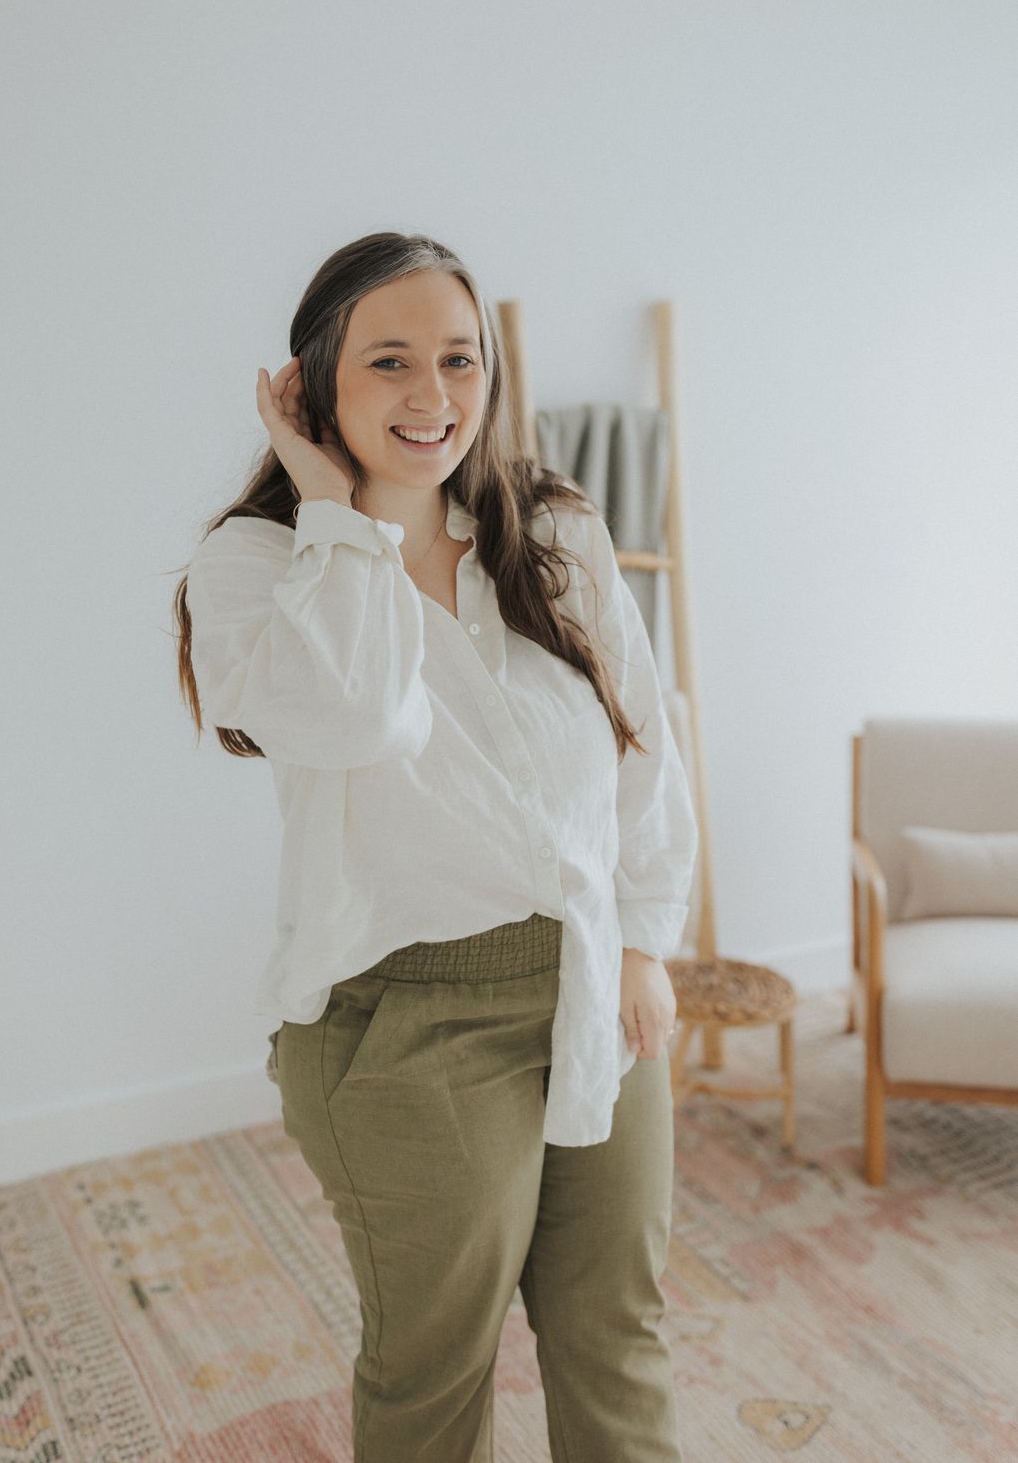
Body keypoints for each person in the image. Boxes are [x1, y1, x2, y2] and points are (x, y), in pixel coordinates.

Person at [174, 231, 699, 1462]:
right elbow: (360, 715)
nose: (433, 396)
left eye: (459, 360)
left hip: (590, 985)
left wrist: (644, 941)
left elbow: (643, 749)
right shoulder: (256, 564)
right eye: (391, 361)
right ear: (314, 385)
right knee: (433, 1371)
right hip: (404, 1023)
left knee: (618, 1333)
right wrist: (330, 506)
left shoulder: (552, 534)